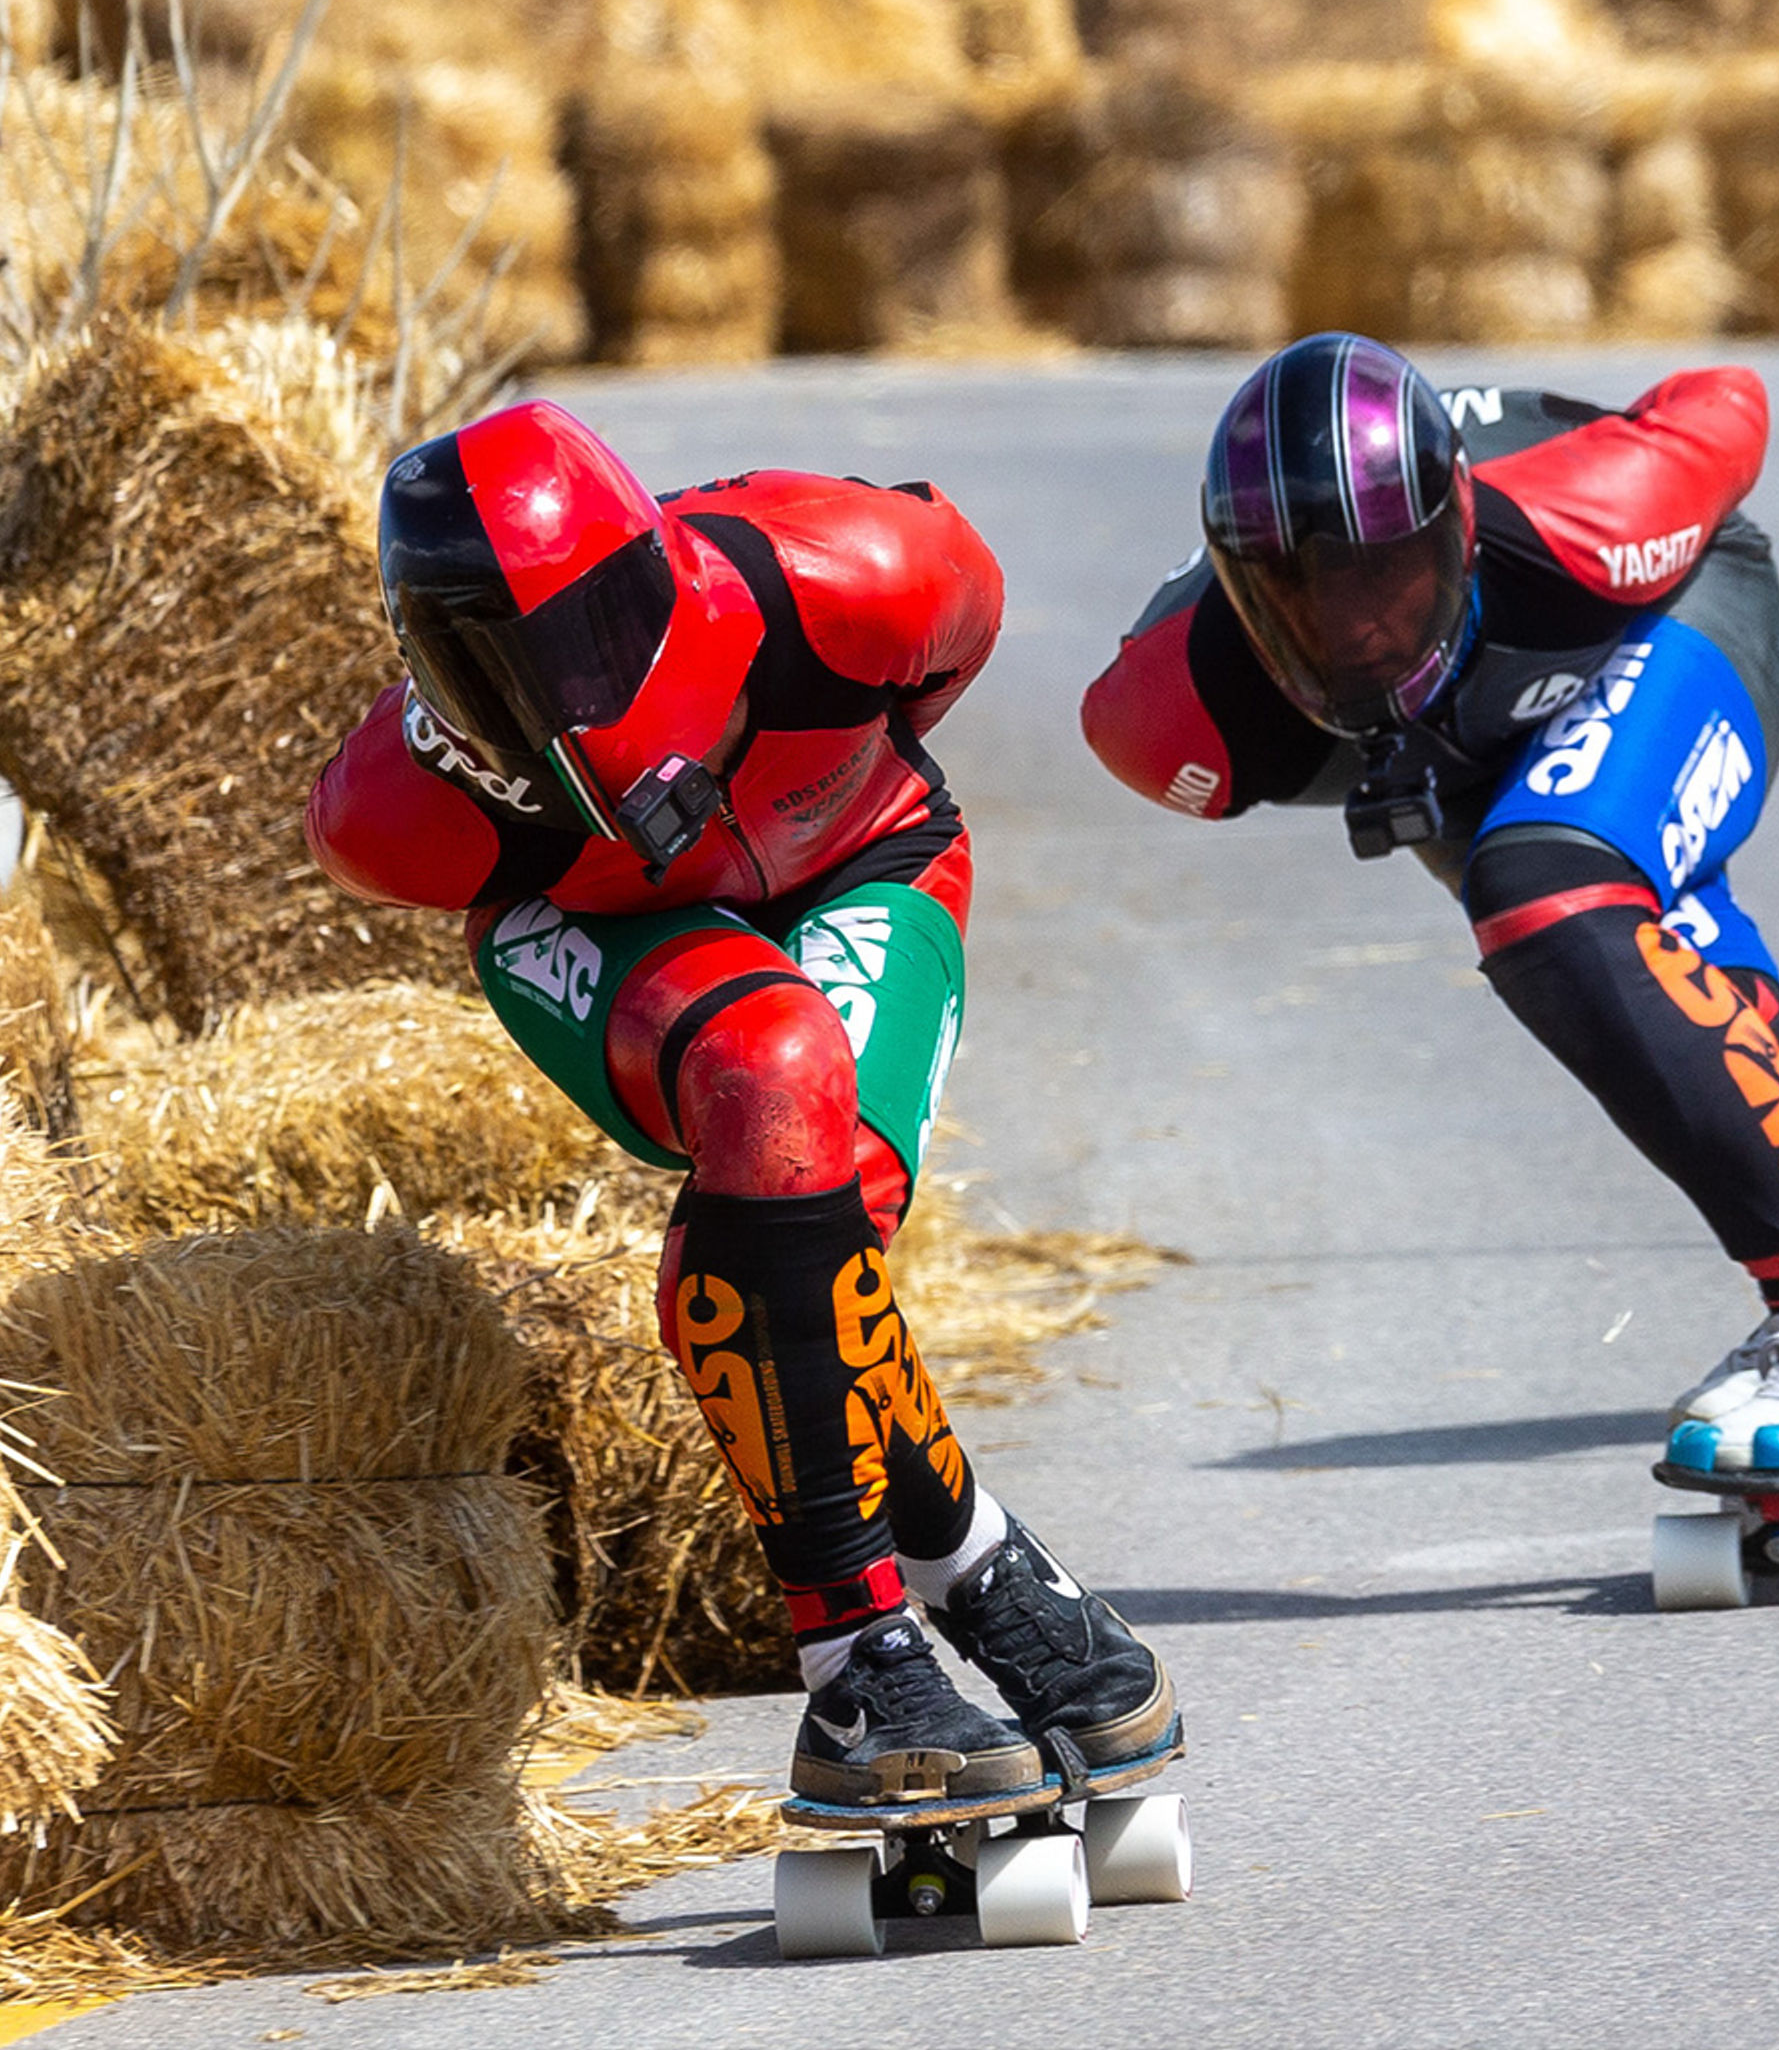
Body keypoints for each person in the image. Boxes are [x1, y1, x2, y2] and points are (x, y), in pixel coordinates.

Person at [306, 400, 1173, 1808]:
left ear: (656, 584)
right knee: (769, 1069)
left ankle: (971, 1561)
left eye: (576, 643)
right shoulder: (395, 807)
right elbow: (354, 848)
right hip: (601, 932)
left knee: (829, 1222)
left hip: (863, 858)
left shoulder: (858, 578)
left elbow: (962, 633)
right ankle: (856, 1666)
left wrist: (799, 806)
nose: (541, 708)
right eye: (480, 678)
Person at [1080, 334, 1779, 1478]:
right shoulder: (1166, 715)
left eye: (1382, 577)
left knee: (1549, 892)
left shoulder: (1597, 512)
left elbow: (1725, 397)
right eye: (1297, 597)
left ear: (1457, 529)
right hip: (1455, 750)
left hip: (1661, 607)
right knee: (1666, 973)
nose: (1355, 634)